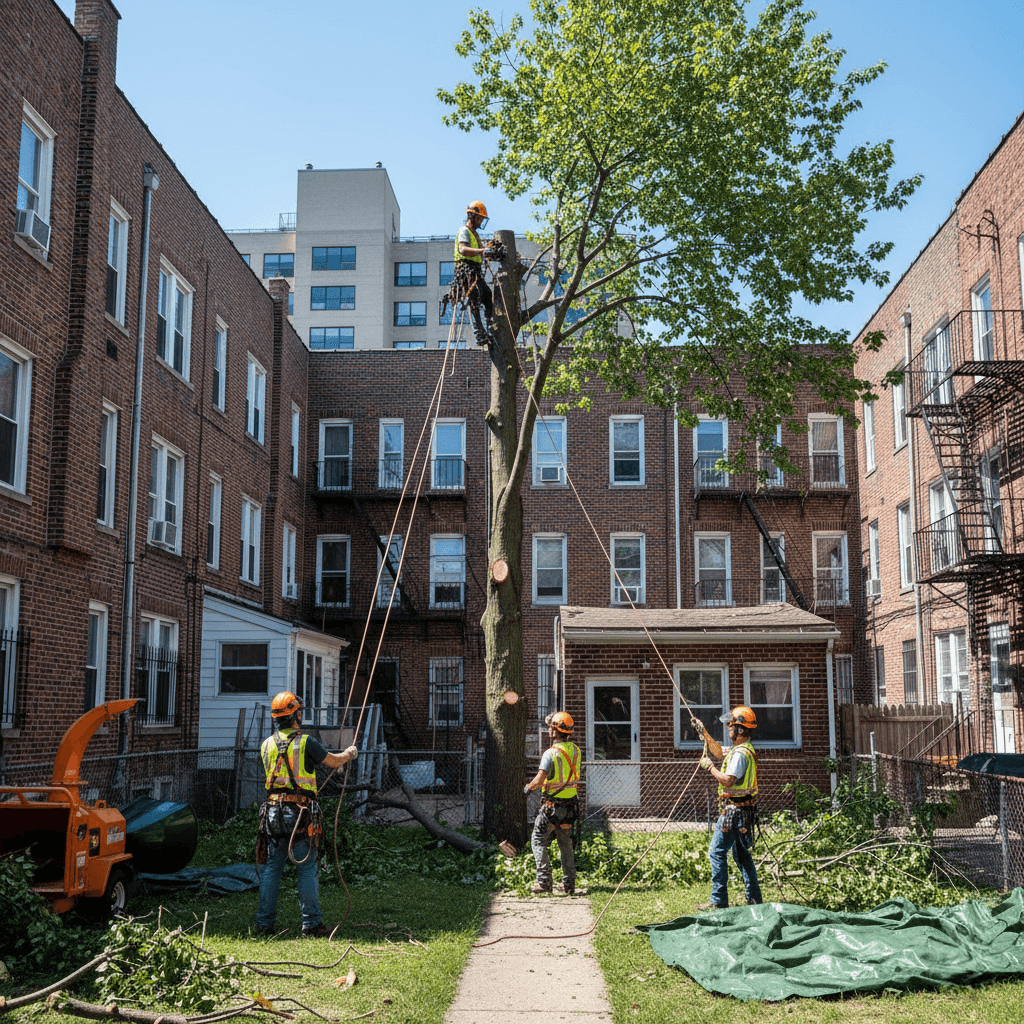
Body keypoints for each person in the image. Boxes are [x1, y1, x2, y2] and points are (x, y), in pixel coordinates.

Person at [255, 691, 359, 938]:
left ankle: (263, 924)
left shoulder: (266, 744)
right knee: (306, 867)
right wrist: (349, 754)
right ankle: (311, 925)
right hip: (299, 813)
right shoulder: (305, 742)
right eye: (299, 712)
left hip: (272, 813)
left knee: (272, 868)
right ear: (295, 715)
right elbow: (333, 762)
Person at [690, 705, 763, 910]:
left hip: (734, 812)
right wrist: (703, 732)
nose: (728, 728)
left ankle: (719, 900)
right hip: (742, 812)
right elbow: (718, 752)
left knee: (716, 852)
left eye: (731, 725)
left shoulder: (741, 754)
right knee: (742, 856)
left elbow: (729, 780)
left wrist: (710, 767)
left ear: (740, 729)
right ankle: (755, 900)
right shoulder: (740, 750)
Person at [524, 711, 581, 895]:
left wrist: (528, 788)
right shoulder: (576, 751)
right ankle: (569, 885)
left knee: (538, 839)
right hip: (570, 807)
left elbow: (539, 780)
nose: (548, 730)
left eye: (550, 727)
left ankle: (544, 882)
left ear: (555, 731)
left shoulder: (551, 754)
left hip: (552, 808)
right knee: (566, 844)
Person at [452, 200, 498, 347]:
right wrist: (482, 251)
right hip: (466, 271)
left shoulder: (475, 235)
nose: (481, 221)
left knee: (489, 300)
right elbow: (463, 250)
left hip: (476, 272)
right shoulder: (464, 231)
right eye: (480, 218)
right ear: (472, 216)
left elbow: (482, 253)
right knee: (474, 303)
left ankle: (491, 327)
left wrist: (493, 251)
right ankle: (480, 333)